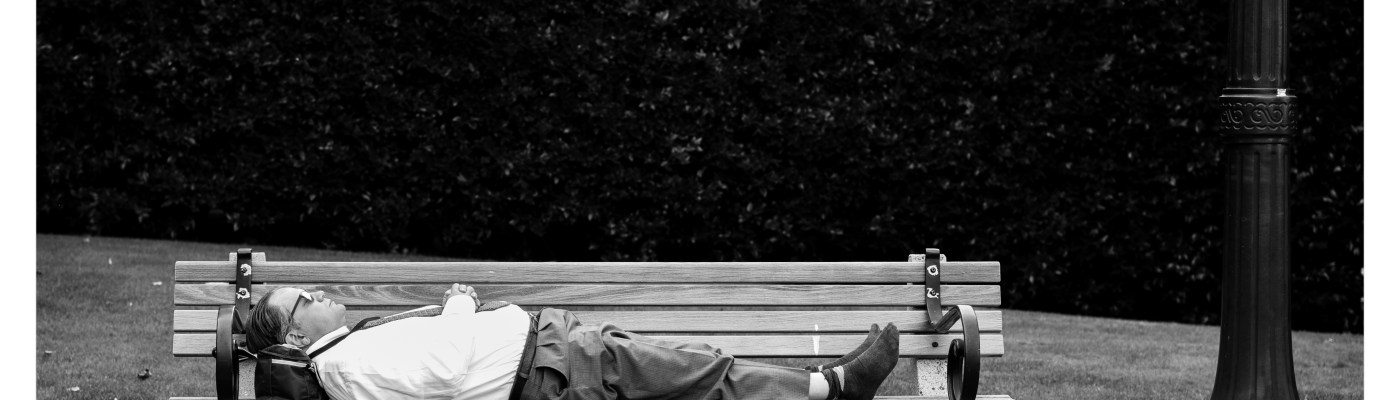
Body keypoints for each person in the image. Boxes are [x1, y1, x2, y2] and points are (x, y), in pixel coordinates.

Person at [245, 285, 900, 400]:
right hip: (555, 371)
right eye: (303, 300)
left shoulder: (345, 356)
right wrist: (459, 304)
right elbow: (445, 368)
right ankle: (834, 388)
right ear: (296, 334)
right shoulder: (348, 364)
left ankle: (822, 386)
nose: (318, 293)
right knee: (698, 374)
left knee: (695, 370)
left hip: (554, 354)